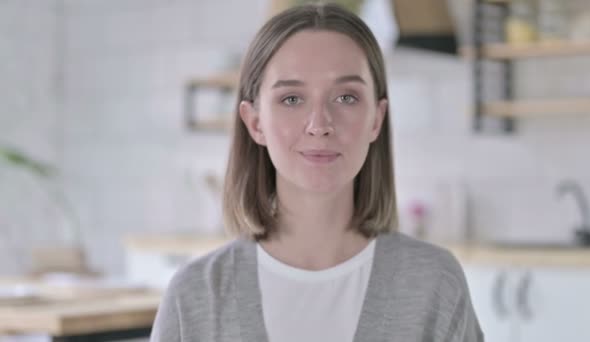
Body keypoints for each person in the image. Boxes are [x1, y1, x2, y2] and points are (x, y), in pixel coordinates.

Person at [150, 3, 484, 342]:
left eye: (346, 97)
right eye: (292, 99)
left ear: (376, 119)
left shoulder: (434, 285)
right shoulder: (194, 298)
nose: (320, 125)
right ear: (254, 123)